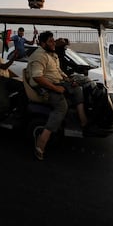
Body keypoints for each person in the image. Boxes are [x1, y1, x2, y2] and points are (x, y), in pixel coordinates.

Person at [27, 31, 88, 161]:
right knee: (61, 106)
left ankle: (83, 121)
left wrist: (68, 80)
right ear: (43, 43)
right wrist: (56, 88)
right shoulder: (39, 56)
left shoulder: (52, 54)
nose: (53, 43)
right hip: (44, 87)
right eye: (50, 41)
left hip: (56, 82)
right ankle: (41, 143)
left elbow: (58, 71)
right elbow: (37, 77)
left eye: (53, 40)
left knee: (78, 88)